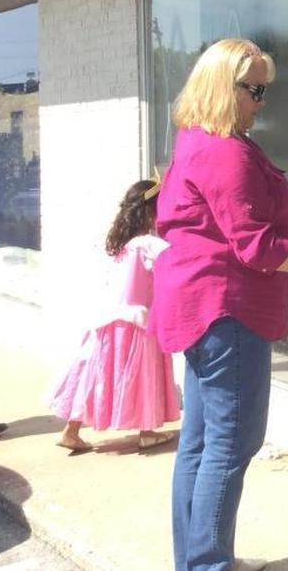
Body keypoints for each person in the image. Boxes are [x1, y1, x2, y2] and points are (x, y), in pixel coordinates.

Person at [153, 38, 288, 571]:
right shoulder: (225, 151)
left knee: (201, 445)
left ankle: (197, 559)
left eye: (264, 89)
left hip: (201, 307)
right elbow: (256, 247)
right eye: (254, 90)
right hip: (229, 311)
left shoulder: (196, 141)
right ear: (223, 87)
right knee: (230, 443)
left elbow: (229, 227)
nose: (261, 101)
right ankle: (208, 564)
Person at [48, 178, 179, 452]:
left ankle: (71, 431)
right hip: (137, 323)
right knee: (142, 375)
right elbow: (178, 265)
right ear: (153, 210)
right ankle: (146, 430)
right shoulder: (150, 245)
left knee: (95, 375)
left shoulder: (121, 243)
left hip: (106, 320)